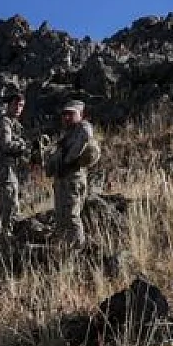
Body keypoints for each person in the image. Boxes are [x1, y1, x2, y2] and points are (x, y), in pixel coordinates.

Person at [51, 100, 102, 245]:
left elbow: (86, 136)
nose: (66, 117)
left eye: (71, 114)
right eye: (64, 114)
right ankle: (65, 250)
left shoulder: (83, 127)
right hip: (63, 181)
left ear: (81, 115)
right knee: (61, 217)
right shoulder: (67, 135)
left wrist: (69, 159)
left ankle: (78, 249)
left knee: (72, 217)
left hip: (73, 180)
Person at [0, 90, 29, 233]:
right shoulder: (5, 122)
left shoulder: (14, 123)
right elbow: (7, 144)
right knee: (10, 206)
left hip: (7, 167)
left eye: (21, 105)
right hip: (5, 169)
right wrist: (23, 145)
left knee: (2, 208)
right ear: (9, 105)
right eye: (16, 105)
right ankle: (7, 237)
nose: (18, 108)